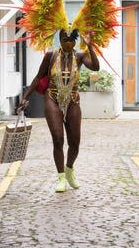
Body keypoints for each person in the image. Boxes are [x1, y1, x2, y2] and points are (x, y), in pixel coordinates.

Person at [18, 29, 100, 193]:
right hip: (52, 98)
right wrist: (25, 97)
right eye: (64, 40)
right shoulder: (51, 56)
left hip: (73, 100)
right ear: (60, 40)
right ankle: (61, 178)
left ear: (75, 42)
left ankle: (69, 170)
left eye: (71, 40)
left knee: (74, 143)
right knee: (57, 139)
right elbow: (38, 77)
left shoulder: (80, 56)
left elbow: (96, 67)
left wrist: (90, 46)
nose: (68, 43)